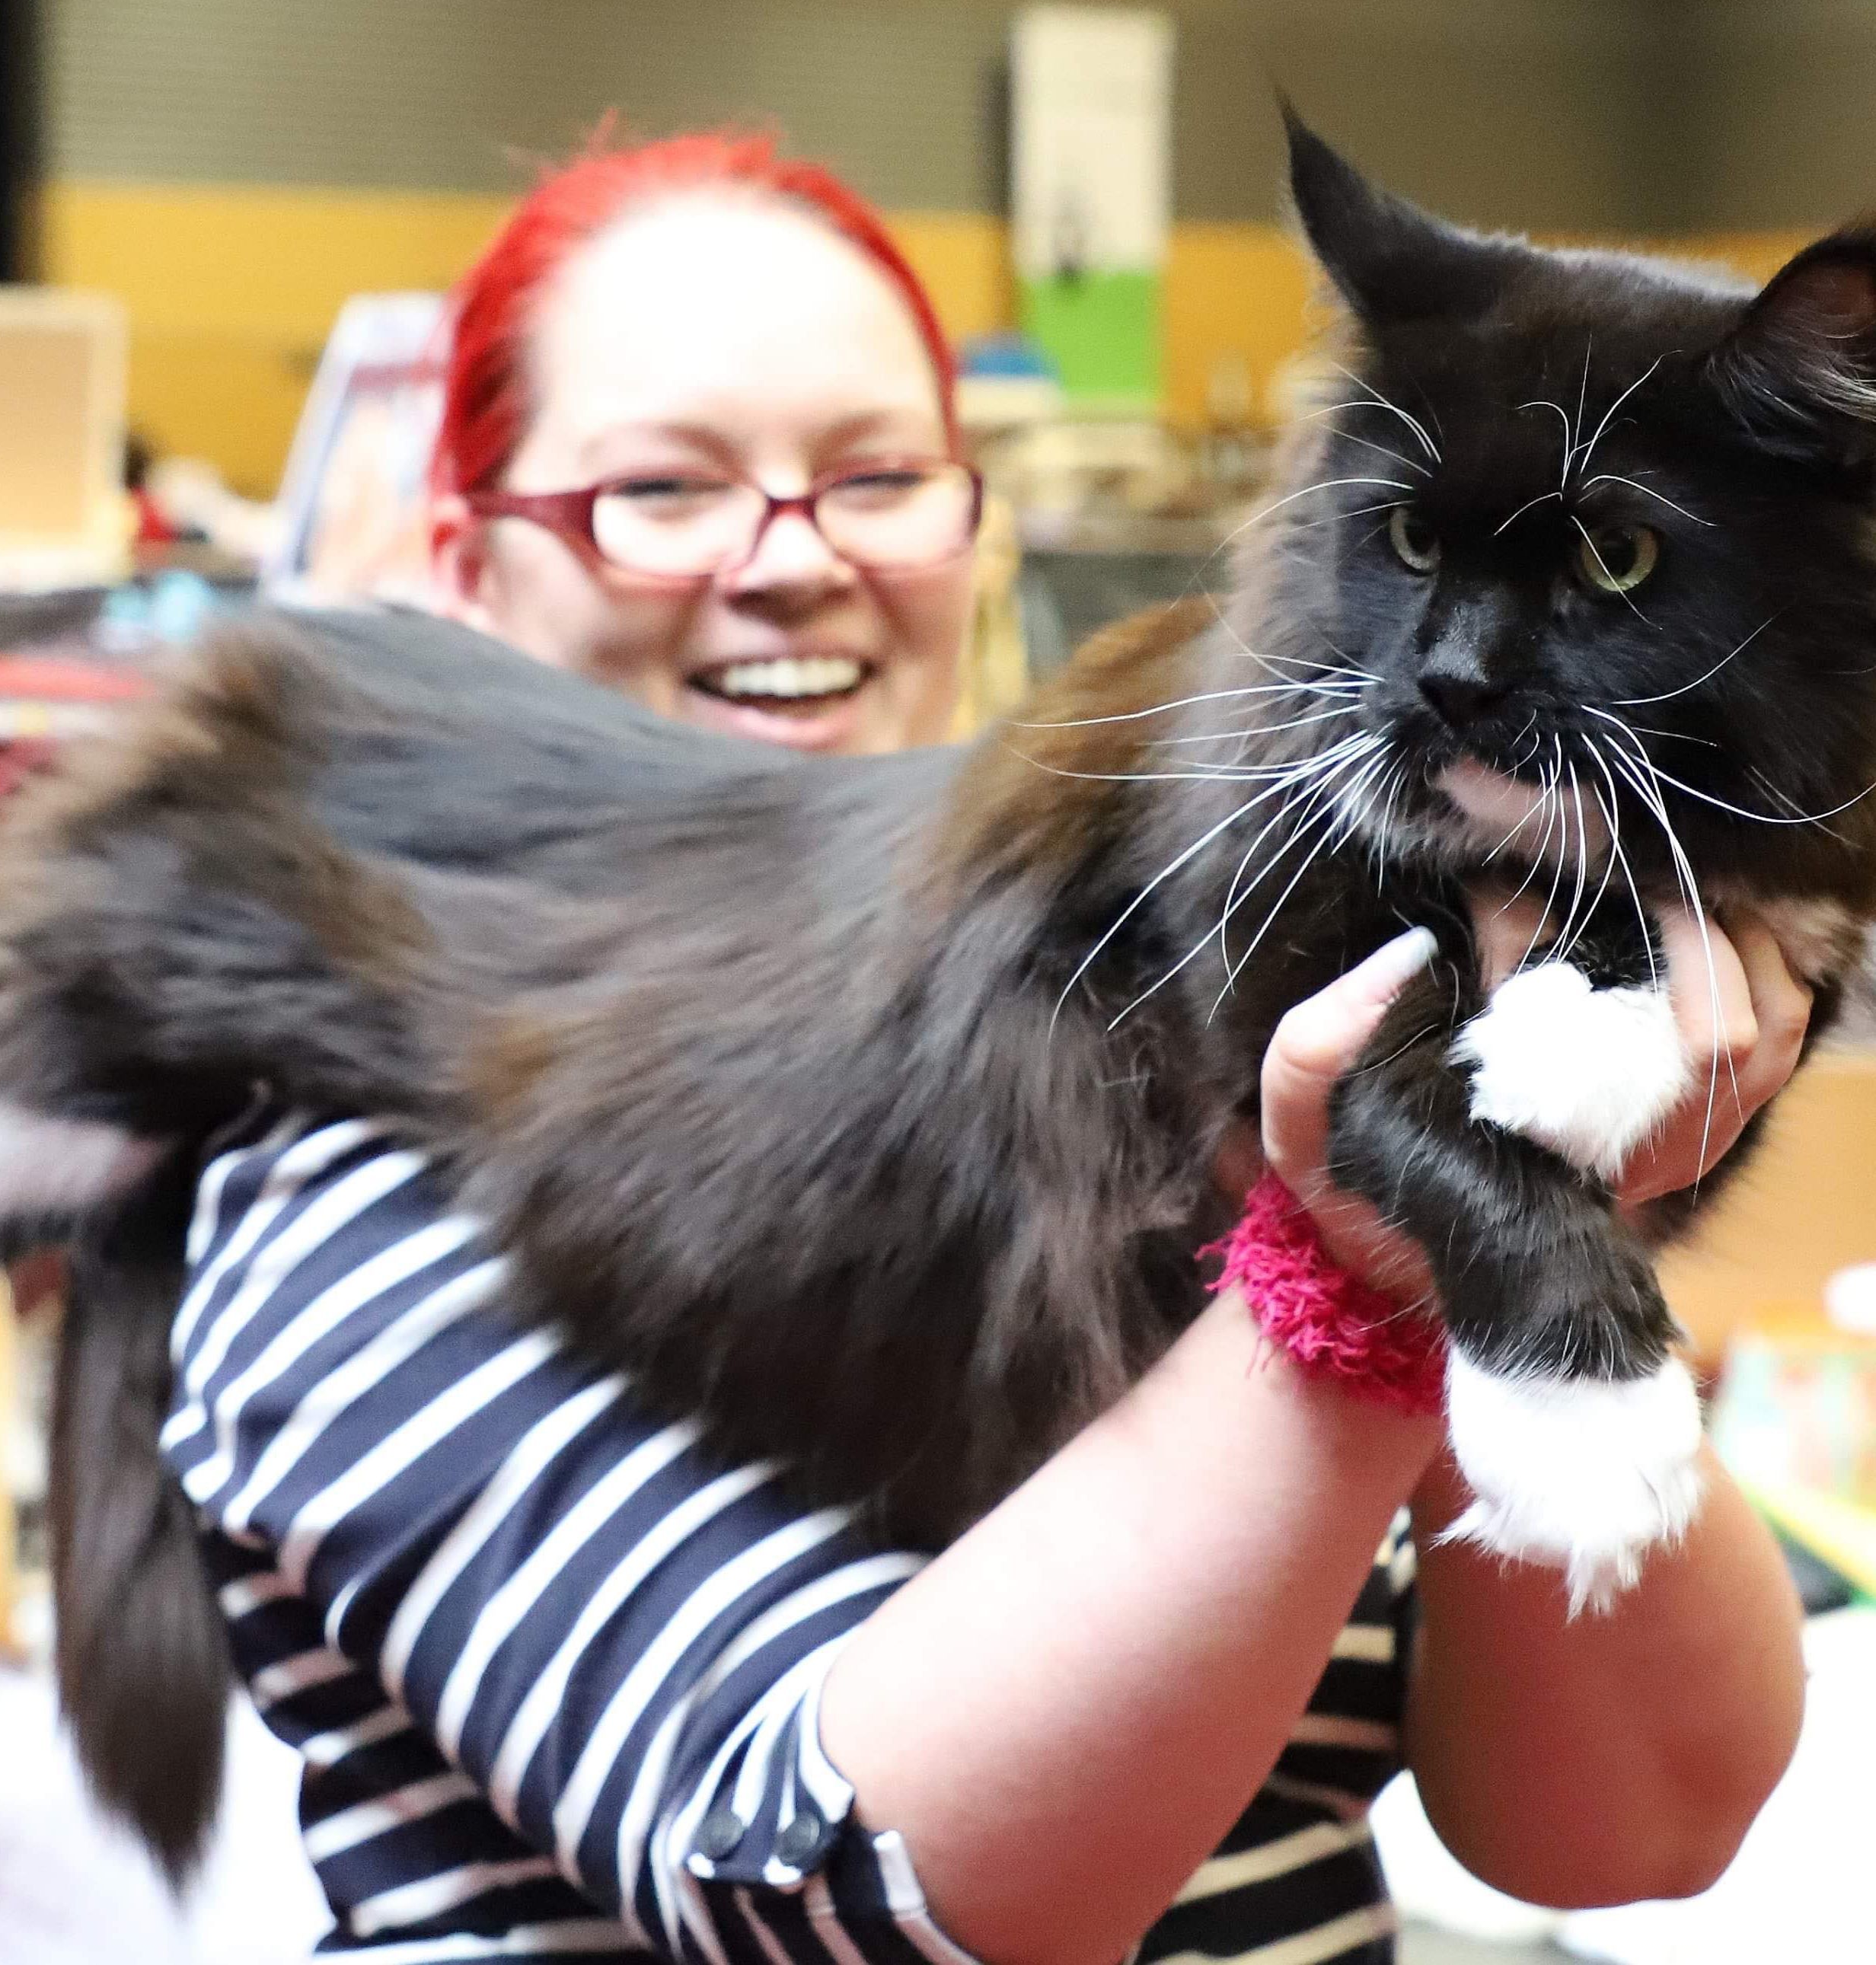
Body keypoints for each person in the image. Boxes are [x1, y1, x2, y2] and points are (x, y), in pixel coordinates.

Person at [164, 134, 1807, 1965]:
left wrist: (1521, 1221)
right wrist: (1355, 1278)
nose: (788, 565)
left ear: (982, 529)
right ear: (463, 574)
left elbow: (1637, 1828)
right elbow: (819, 1890)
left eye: (875, 475)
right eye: (663, 490)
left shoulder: (1174, 1005)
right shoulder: (368, 1159)